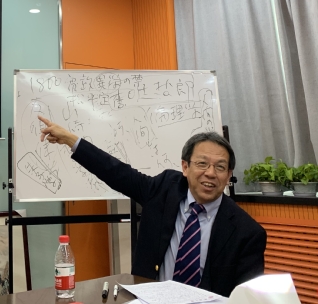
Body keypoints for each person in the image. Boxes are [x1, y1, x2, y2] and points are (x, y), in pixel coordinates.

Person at [37, 115, 266, 297]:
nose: (210, 173)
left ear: (229, 175)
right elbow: (117, 172)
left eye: (220, 167)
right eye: (202, 163)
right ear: (185, 167)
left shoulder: (247, 233)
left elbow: (247, 297)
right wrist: (71, 140)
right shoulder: (164, 189)